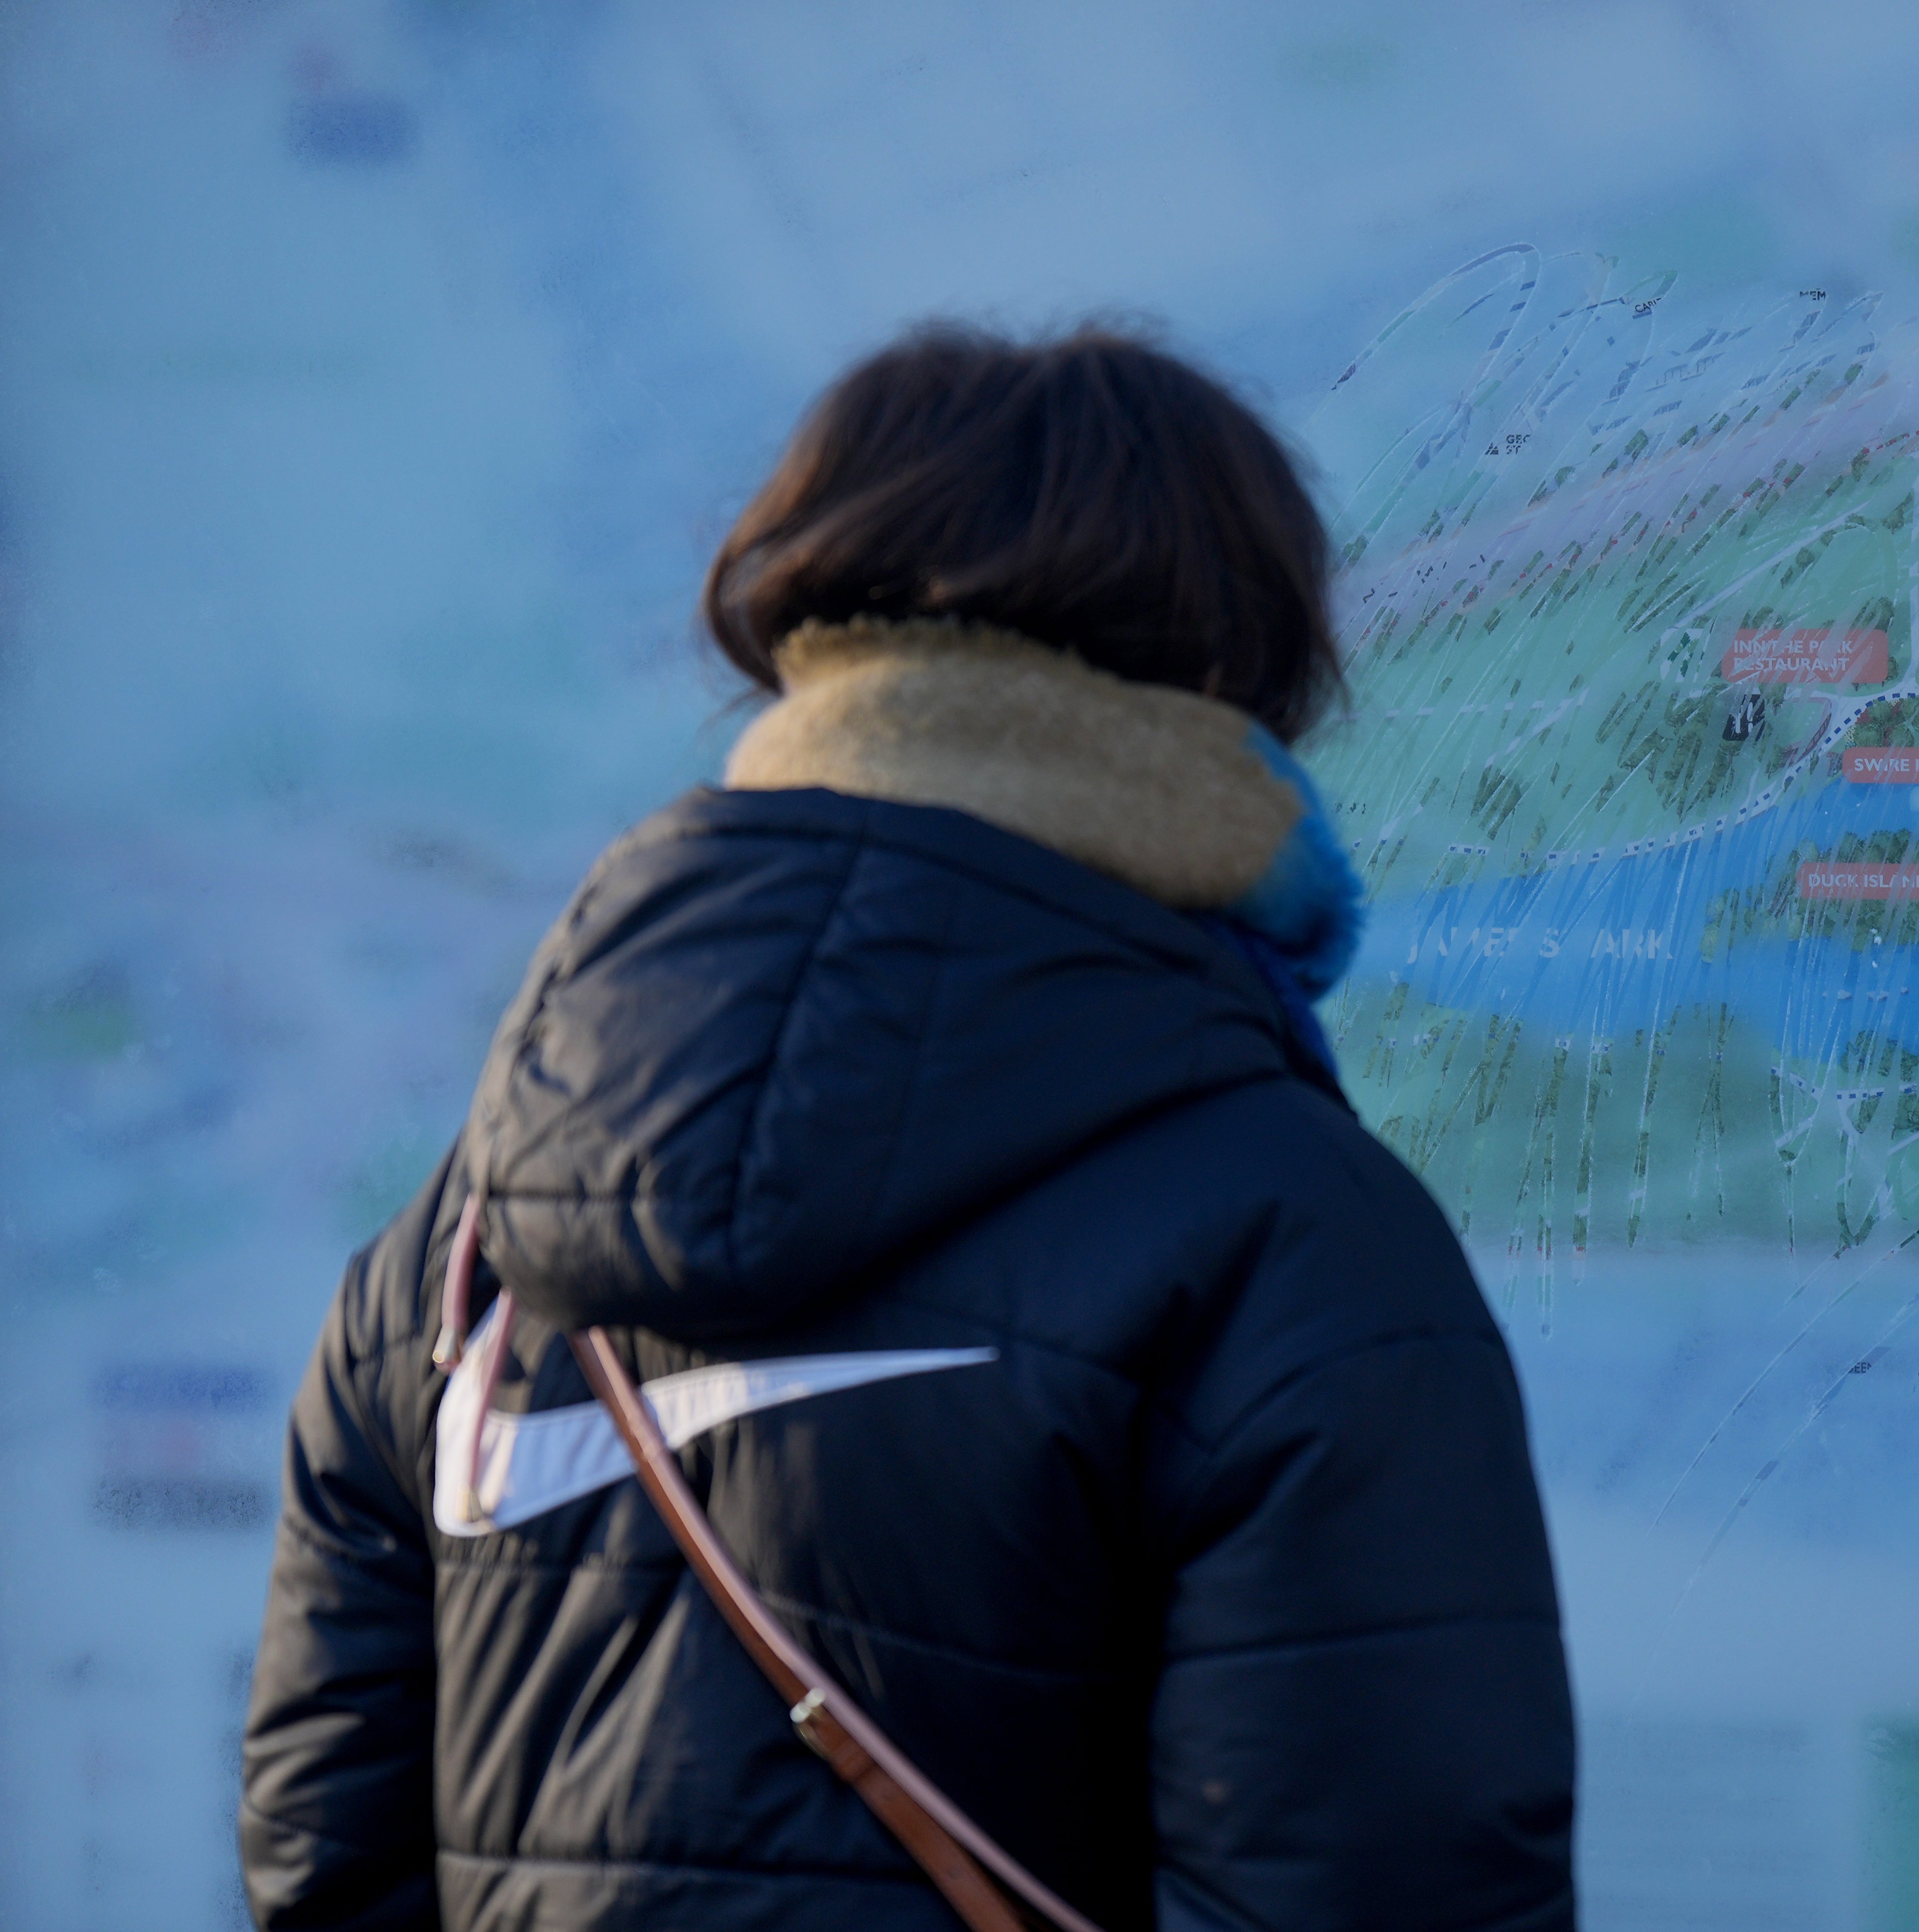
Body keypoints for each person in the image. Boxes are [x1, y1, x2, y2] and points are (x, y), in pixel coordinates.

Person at [238, 325, 1577, 1931]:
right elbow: (1377, 1891)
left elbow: (331, 1869)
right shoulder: (1292, 1240)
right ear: (1228, 681)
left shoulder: (456, 1255)